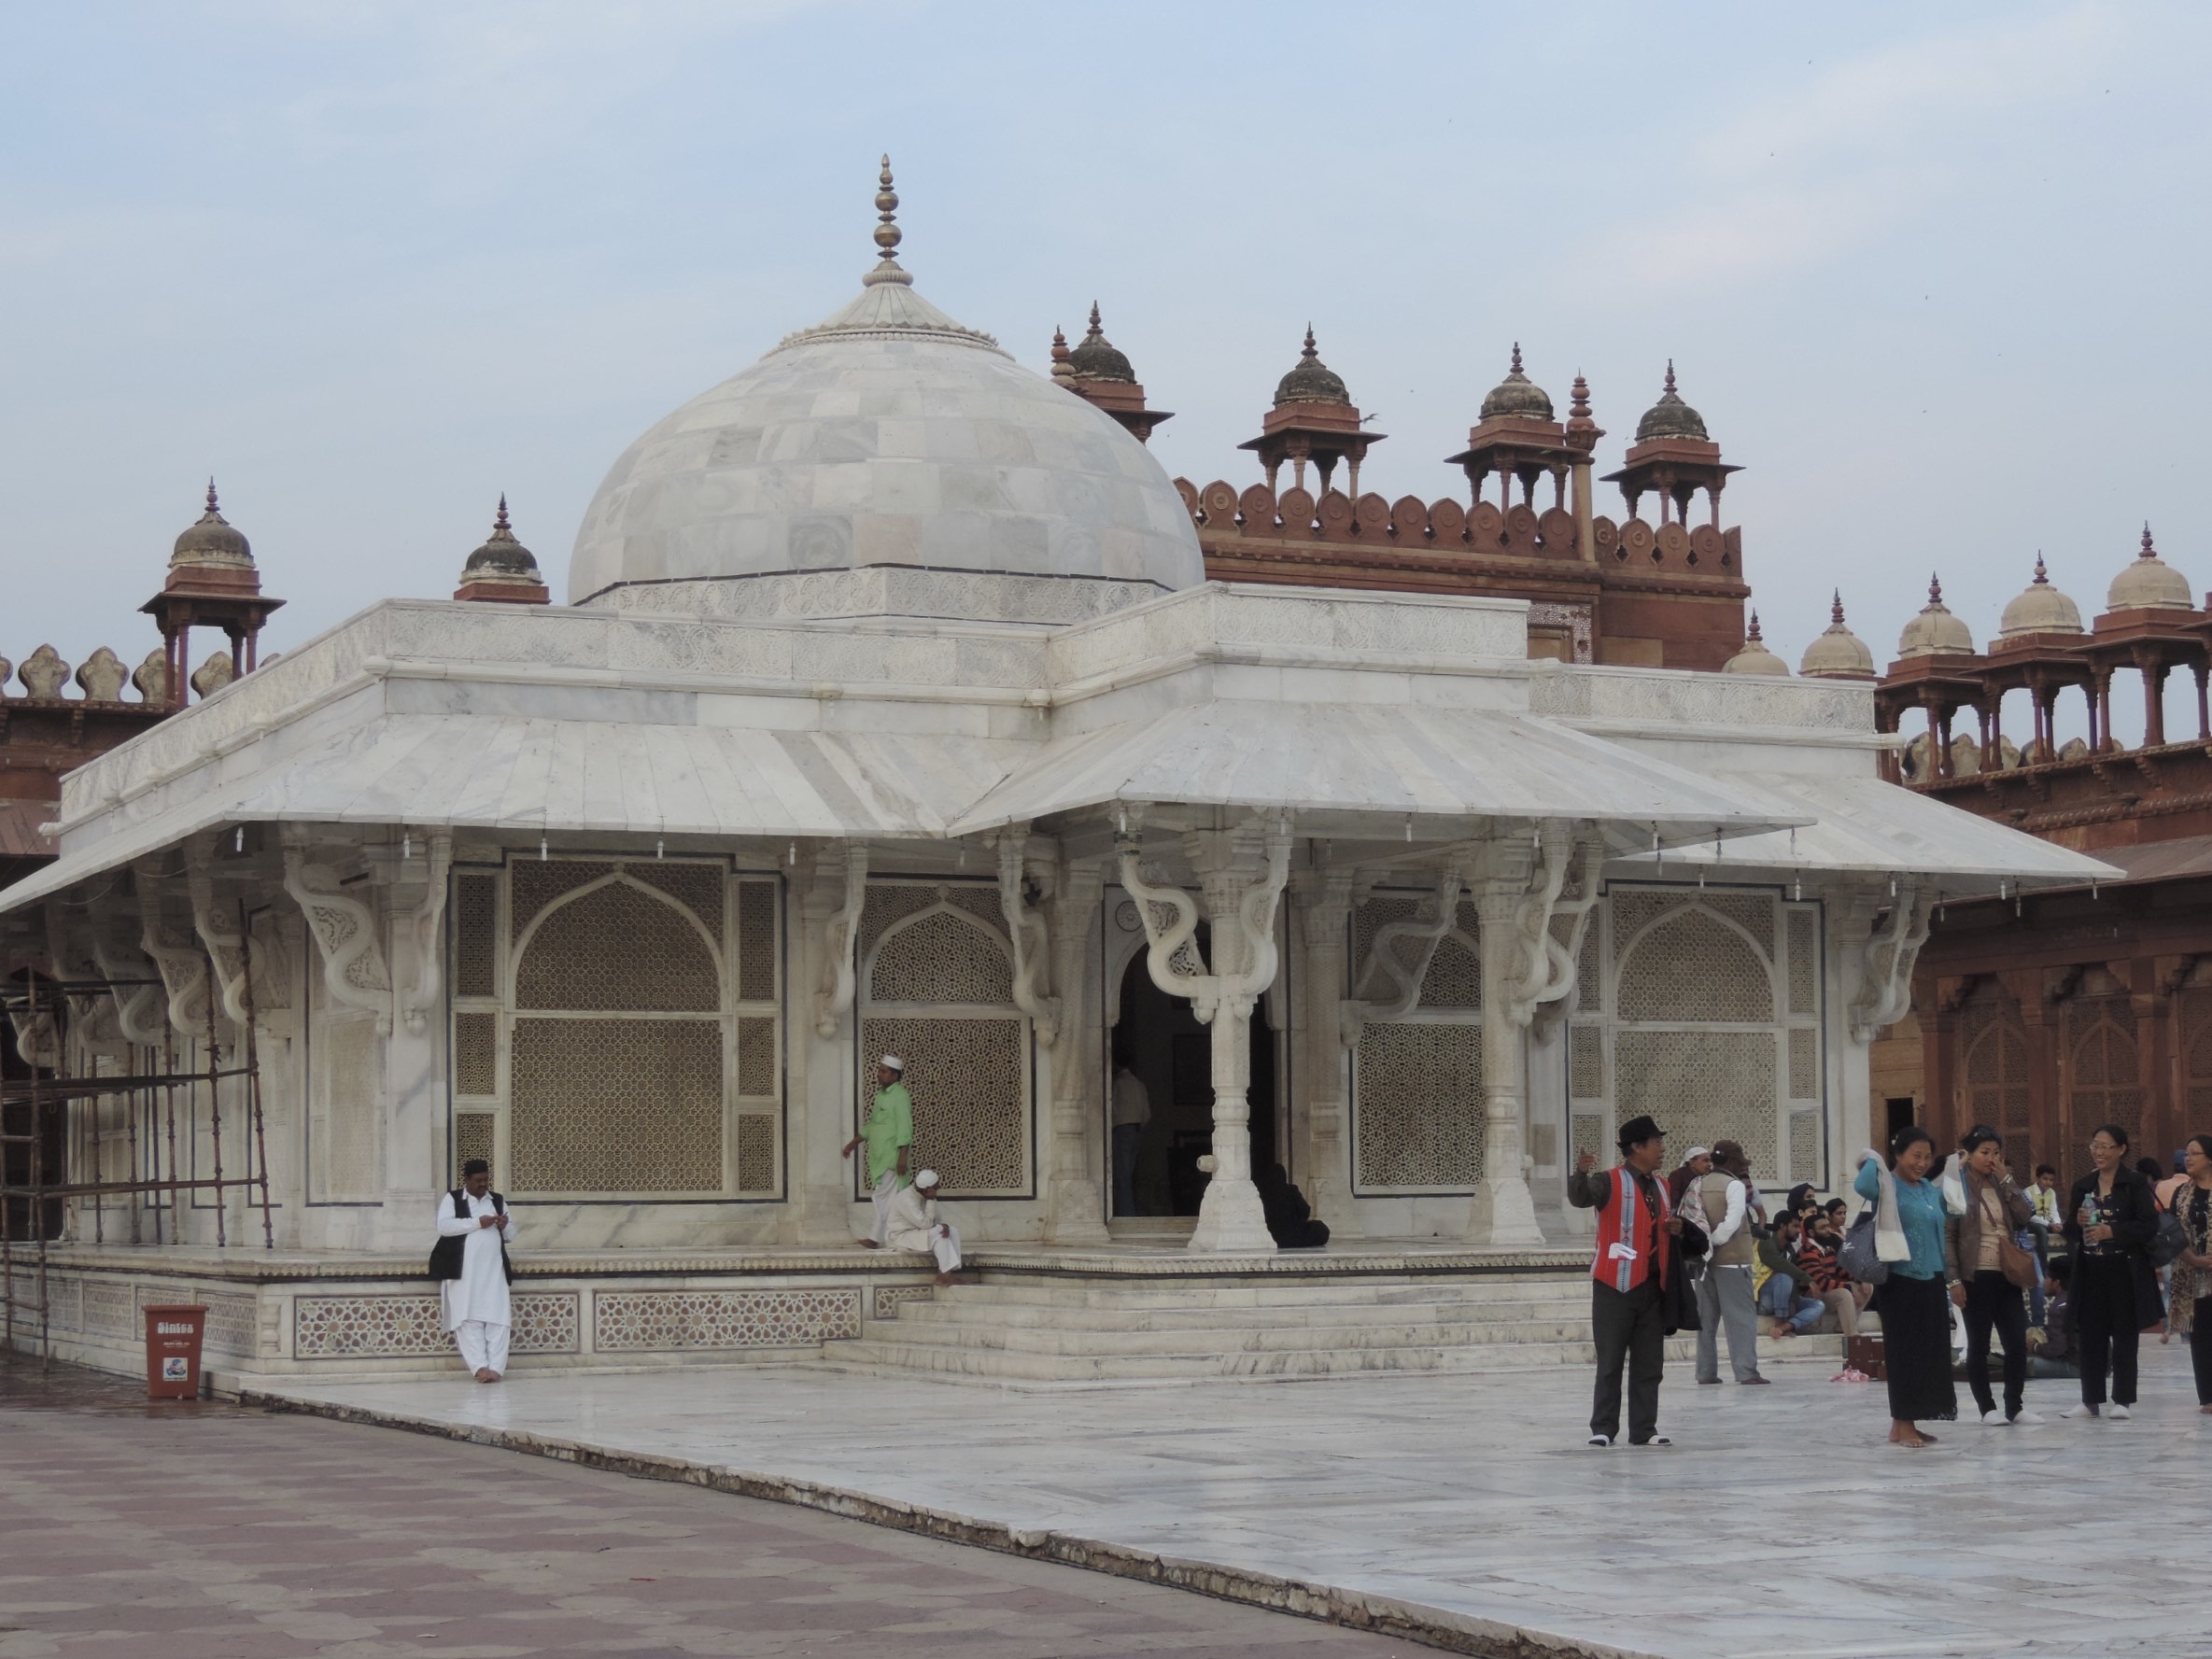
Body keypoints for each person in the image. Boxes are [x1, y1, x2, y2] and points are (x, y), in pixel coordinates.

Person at [1568, 1115, 1688, 1448]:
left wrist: (1678, 1229)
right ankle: (1603, 1428)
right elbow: (1580, 1198)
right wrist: (1580, 1173)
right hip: (1613, 1286)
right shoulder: (1608, 1181)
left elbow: (1671, 1228)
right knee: (1610, 1362)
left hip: (1652, 1286)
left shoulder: (1663, 1187)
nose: (1663, 1148)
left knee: (1650, 1363)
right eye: (1656, 1142)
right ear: (1637, 1147)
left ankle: (1644, 1429)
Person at [1854, 1128, 1957, 1447]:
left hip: (1932, 1279)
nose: (1922, 1163)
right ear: (1898, 1154)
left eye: (1927, 1157)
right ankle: (1903, 1421)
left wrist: (1958, 1164)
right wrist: (1873, 1159)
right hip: (1900, 1281)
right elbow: (1864, 1184)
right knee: (1904, 1354)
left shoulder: (1928, 1188)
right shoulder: (1887, 1186)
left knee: (1930, 1354)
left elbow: (1957, 1206)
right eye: (1916, 1155)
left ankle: (1907, 1423)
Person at [2060, 1123, 2161, 1421]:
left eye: (2105, 1146)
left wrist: (2112, 1231)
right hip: (2091, 1271)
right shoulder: (2084, 1185)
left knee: (2125, 1335)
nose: (2099, 1152)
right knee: (2091, 1336)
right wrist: (2078, 1223)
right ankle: (2090, 1399)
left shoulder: (2135, 1183)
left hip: (2124, 1271)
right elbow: (2070, 1231)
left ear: (2121, 1150)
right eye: (2095, 1146)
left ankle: (2123, 1400)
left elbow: (2148, 1225)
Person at [1944, 1124, 2040, 1426]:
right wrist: (1954, 1280)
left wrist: (2007, 1180)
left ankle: (2015, 1405)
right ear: (1969, 1155)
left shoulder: (2003, 1183)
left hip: (2006, 1274)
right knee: (1980, 1345)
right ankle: (1987, 1408)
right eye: (1984, 1152)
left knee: (2015, 1343)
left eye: (1996, 1153)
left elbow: (2026, 1215)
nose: (1991, 1158)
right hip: (1976, 1276)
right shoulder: (1957, 1186)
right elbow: (1948, 1236)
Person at [430, 1158, 515, 1384]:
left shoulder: (497, 1200)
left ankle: (496, 1368)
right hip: (464, 1274)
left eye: (486, 1180)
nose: (482, 1184)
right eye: (478, 1180)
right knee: (468, 1320)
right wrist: (478, 1222)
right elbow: (445, 1227)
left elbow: (512, 1235)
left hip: (493, 1273)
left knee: (498, 1318)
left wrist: (504, 1226)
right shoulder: (453, 1199)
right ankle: (479, 1368)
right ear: (466, 1180)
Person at [1694, 1140, 1768, 1385]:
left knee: (1705, 1321)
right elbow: (1733, 1220)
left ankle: (1705, 1372)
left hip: (1704, 1265)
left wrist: (1704, 1249)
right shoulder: (1733, 1185)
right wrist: (1714, 1242)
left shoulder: (1699, 1183)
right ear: (1733, 1162)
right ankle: (1746, 1372)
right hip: (1732, 1260)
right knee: (1741, 1319)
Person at [841, 1055, 912, 1246]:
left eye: (883, 1071)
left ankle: (876, 1238)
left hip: (892, 1157)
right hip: (879, 1158)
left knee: (883, 1197)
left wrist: (902, 1157)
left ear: (895, 1075)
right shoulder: (881, 1096)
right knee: (890, 1199)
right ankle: (894, 1237)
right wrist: (853, 1143)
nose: (879, 1074)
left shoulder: (901, 1096)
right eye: (879, 1070)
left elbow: (905, 1127)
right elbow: (872, 1126)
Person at [2167, 1132, 2212, 1414]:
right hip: (2193, 1275)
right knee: (2202, 1335)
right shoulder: (2181, 1193)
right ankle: (2207, 1397)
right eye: (2187, 1153)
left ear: (2209, 1158)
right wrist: (2193, 1258)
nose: (2188, 1158)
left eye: (2194, 1153)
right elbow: (2171, 1233)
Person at [883, 1168, 963, 1286]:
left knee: (952, 1231)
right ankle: (945, 1275)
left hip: (918, 1233)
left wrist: (944, 1225)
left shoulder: (926, 1195)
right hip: (901, 1237)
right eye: (936, 1186)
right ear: (927, 1189)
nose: (939, 1188)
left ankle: (946, 1273)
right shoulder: (906, 1198)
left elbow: (937, 1220)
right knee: (940, 1233)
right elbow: (925, 1224)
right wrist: (931, 1200)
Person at [1796, 1210, 1867, 1339]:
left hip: (1828, 1290)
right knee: (1844, 1293)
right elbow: (1821, 1282)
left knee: (1867, 1287)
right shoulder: (1808, 1251)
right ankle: (1852, 1335)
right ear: (1811, 1232)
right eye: (1823, 1228)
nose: (1828, 1230)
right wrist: (1848, 1287)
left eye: (1828, 1226)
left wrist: (1860, 1279)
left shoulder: (1828, 1249)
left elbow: (1839, 1270)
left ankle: (1842, 1325)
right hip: (1812, 1295)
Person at [1755, 1212, 1824, 1338]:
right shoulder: (1766, 1243)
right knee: (1784, 1276)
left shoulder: (1789, 1249)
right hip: (1764, 1300)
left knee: (1818, 1305)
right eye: (1795, 1226)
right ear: (1782, 1226)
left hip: (1783, 1299)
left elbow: (1792, 1282)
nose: (1799, 1230)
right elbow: (1783, 1266)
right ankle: (1780, 1321)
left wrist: (1793, 1301)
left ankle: (1784, 1327)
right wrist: (1809, 1281)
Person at [1110, 1047, 1150, 1216]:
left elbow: (1110, 1110)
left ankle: (1126, 1215)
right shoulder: (1138, 1084)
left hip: (1121, 1130)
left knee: (1122, 1176)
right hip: (1136, 1130)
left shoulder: (1118, 1083)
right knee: (1128, 1173)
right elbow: (1147, 1114)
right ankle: (1128, 1213)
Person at [1255, 1161, 1330, 1248]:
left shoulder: (1264, 1195)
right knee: (1319, 1228)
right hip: (1295, 1235)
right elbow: (1305, 1210)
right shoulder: (1291, 1191)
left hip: (1275, 1237)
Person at [1666, 1146, 1712, 1210]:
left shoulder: (1710, 1176)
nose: (1709, 1164)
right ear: (1692, 1162)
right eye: (1705, 1161)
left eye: (1710, 1161)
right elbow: (1674, 1202)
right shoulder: (1678, 1176)